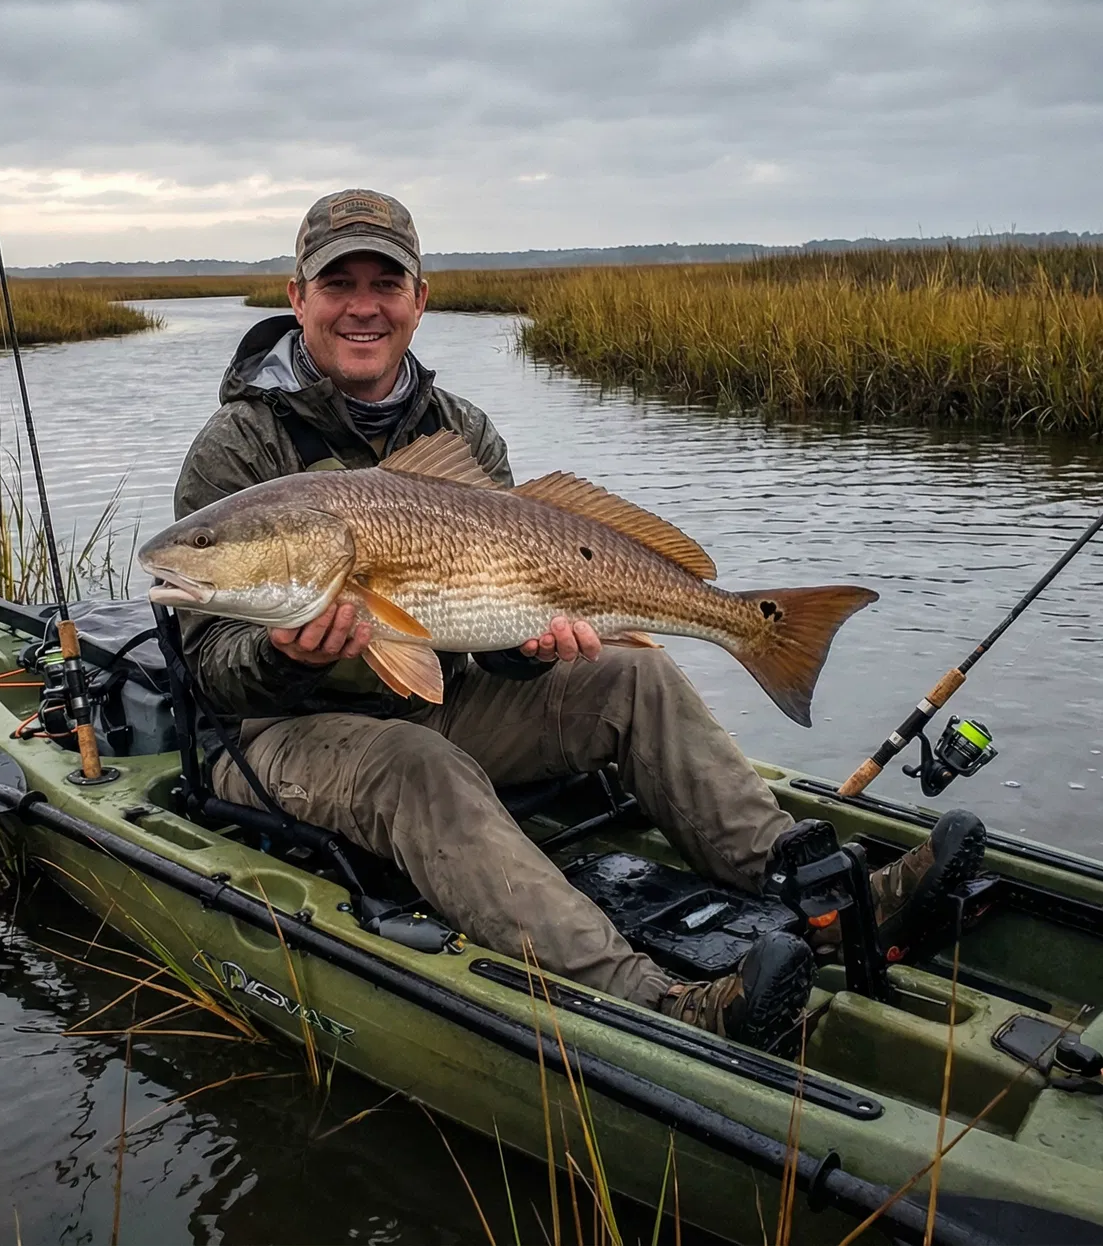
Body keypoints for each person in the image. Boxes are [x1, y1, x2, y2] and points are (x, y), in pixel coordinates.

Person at [170, 188, 985, 1051]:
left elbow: (486, 639)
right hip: (274, 740)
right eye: (338, 284)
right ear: (297, 298)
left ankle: (810, 889)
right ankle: (654, 1003)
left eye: (386, 282)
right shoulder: (238, 448)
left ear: (420, 299)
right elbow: (202, 667)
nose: (363, 306)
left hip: (431, 697)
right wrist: (285, 654)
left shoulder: (461, 431)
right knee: (419, 765)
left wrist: (530, 651)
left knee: (631, 672)